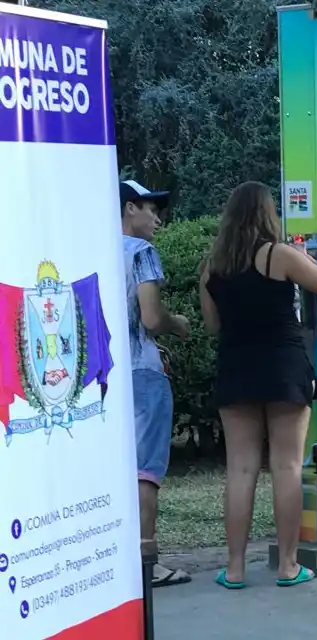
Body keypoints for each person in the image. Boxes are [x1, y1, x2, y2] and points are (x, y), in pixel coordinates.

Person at [199, 182, 317, 590]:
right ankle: (287, 565)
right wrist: (304, 256)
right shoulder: (279, 255)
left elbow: (213, 326)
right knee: (287, 467)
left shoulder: (212, 266)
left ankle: (234, 569)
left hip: (236, 367)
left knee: (240, 469)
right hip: (283, 367)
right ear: (267, 215)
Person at [120, 180, 193, 588]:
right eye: (151, 208)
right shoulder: (142, 253)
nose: (157, 218)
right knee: (144, 469)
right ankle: (147, 562)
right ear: (130, 208)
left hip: (103, 377)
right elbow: (150, 319)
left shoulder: (89, 249)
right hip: (142, 372)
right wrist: (175, 324)